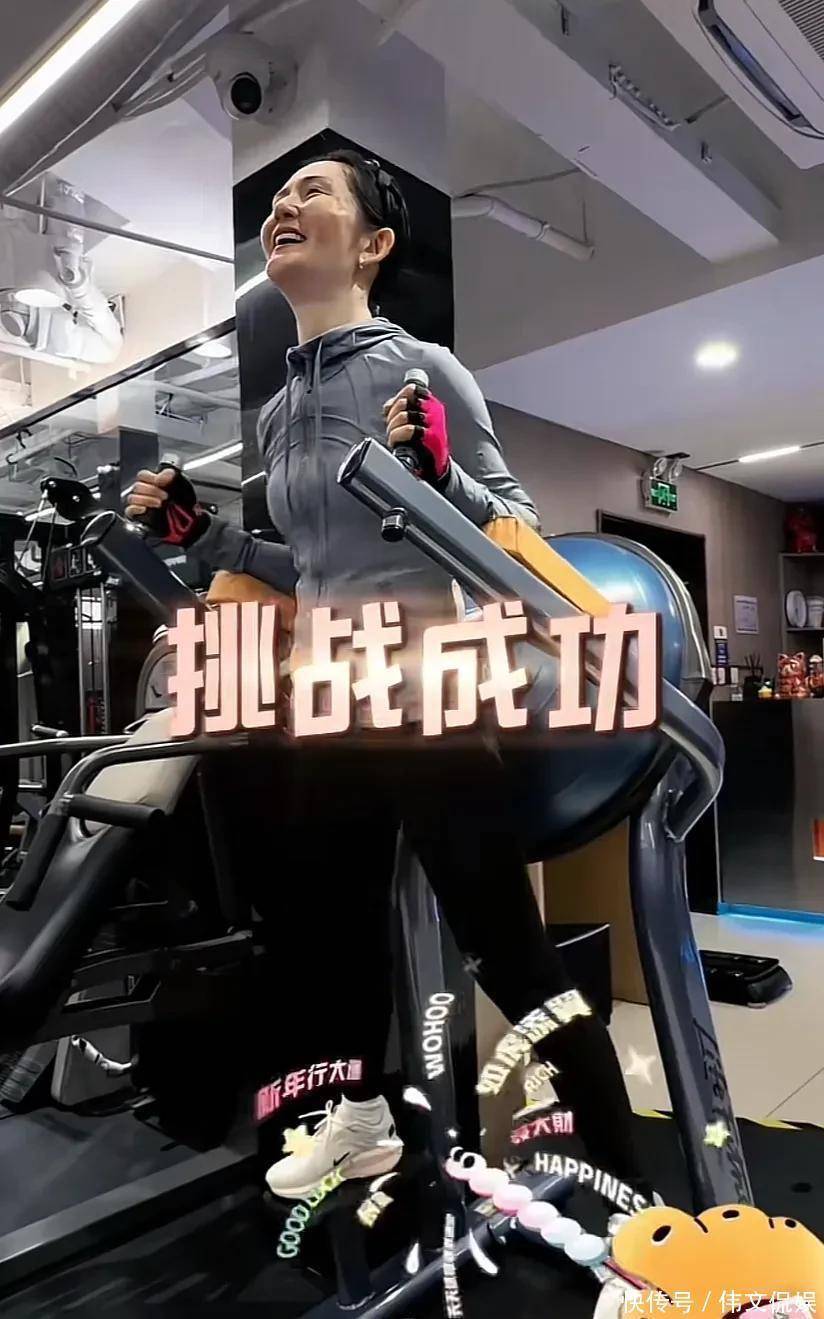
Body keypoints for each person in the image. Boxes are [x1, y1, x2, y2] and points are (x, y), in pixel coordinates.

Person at [126, 149, 652, 1203]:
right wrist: (202, 532)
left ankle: (630, 1183)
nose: (285, 203)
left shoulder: (423, 369)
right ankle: (362, 1118)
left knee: (509, 954)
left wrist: (441, 471)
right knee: (328, 939)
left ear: (371, 245)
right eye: (281, 196)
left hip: (428, 695)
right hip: (332, 696)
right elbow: (307, 569)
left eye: (313, 192)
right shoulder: (279, 412)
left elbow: (514, 530)